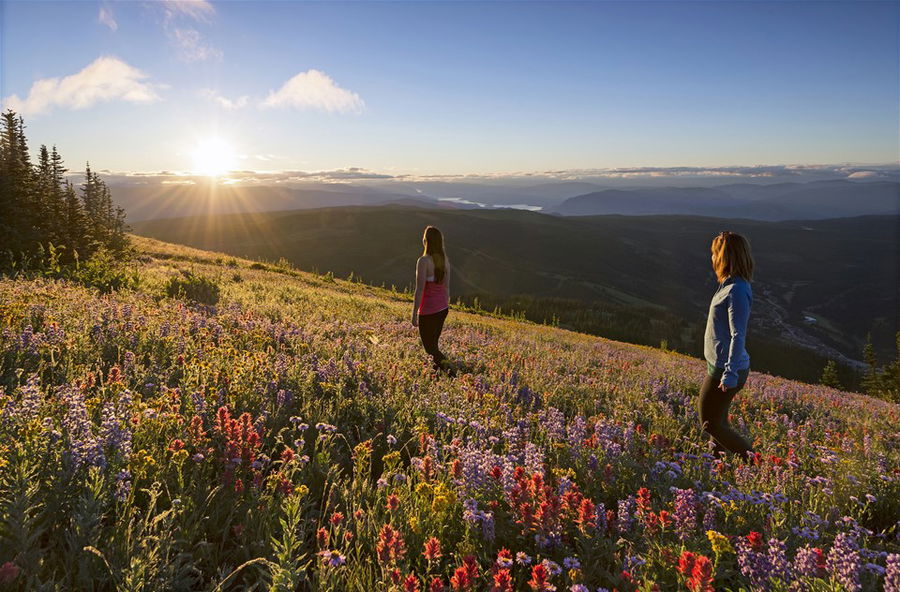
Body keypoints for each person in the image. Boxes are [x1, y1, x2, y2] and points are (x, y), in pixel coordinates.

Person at [699, 231, 754, 457]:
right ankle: (716, 464)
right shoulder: (729, 285)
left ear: (724, 257)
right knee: (718, 422)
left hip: (727, 369)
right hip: (720, 365)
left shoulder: (736, 290)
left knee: (710, 422)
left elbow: (737, 335)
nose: (712, 258)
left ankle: (754, 461)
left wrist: (729, 373)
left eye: (714, 254)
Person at [412, 226, 450, 370]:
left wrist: (414, 313)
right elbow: (446, 288)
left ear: (426, 241)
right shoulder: (445, 261)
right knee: (433, 345)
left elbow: (419, 289)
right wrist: (445, 306)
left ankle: (452, 372)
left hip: (428, 311)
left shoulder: (423, 261)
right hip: (442, 309)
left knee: (430, 349)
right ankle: (437, 373)